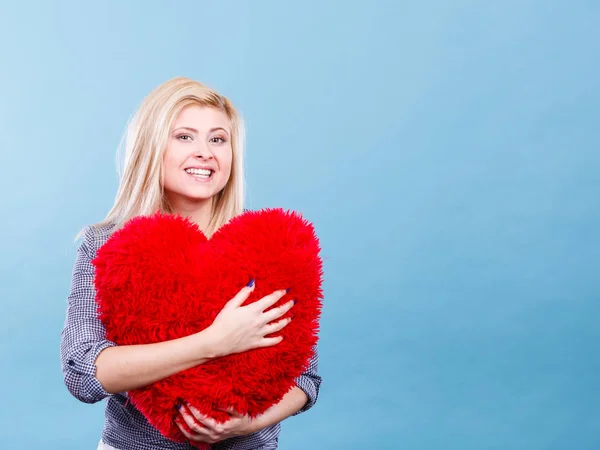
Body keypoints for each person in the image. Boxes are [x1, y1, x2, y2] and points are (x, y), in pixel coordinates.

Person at [60, 76, 322, 450]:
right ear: (152, 147)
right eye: (184, 136)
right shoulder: (105, 243)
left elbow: (306, 377)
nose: (205, 152)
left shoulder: (267, 245)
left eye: (218, 139)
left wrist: (247, 423)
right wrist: (213, 342)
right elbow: (83, 372)